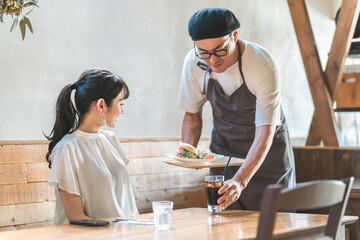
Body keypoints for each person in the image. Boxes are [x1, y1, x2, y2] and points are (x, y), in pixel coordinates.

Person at [178, 7, 296, 211]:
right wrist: (189, 153)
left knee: (276, 226)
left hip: (267, 158)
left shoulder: (260, 63)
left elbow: (265, 131)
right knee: (226, 227)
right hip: (225, 155)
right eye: (204, 52)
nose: (213, 60)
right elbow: (192, 115)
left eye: (220, 50)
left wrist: (240, 180)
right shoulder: (193, 63)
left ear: (234, 35)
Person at [45, 69, 138, 224]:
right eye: (120, 103)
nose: (122, 111)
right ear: (101, 105)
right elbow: (76, 217)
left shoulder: (111, 140)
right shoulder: (67, 148)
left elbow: (126, 204)